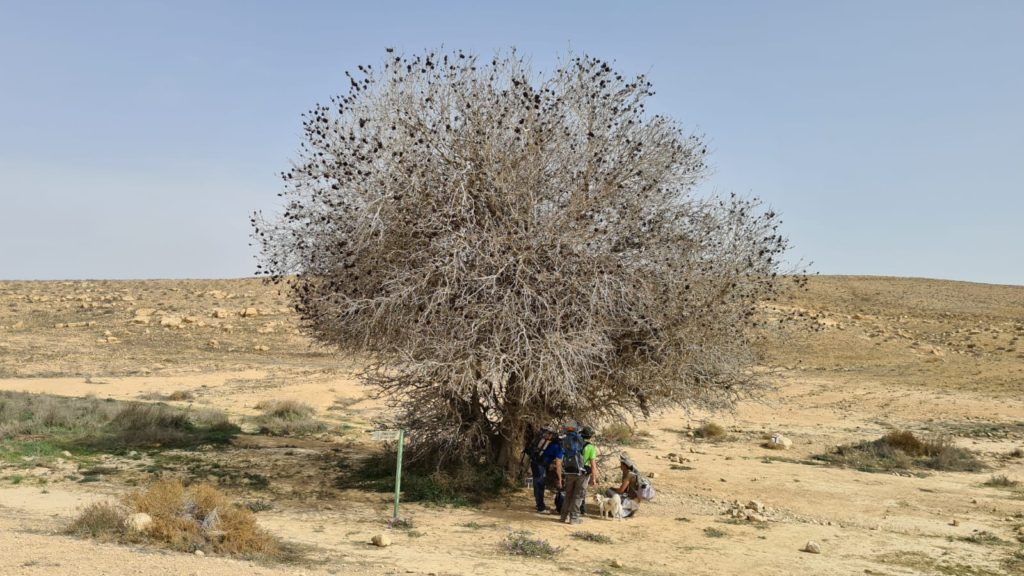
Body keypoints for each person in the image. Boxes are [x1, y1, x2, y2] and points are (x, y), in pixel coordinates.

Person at [560, 423, 598, 525]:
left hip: (569, 471)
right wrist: (593, 479)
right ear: (590, 436)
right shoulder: (590, 447)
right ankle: (574, 518)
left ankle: (563, 517)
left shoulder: (574, 442)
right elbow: (593, 465)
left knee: (568, 495)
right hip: (582, 474)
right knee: (578, 496)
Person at [528, 428, 563, 514]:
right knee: (540, 485)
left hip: (535, 462)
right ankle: (541, 508)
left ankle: (539, 504)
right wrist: (560, 478)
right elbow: (558, 466)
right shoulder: (559, 449)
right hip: (540, 465)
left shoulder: (552, 444)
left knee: (537, 484)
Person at [607, 453, 641, 517]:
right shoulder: (630, 473)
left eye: (621, 464)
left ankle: (616, 510)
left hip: (632, 502)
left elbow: (621, 491)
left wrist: (612, 489)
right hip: (634, 502)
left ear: (625, 466)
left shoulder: (629, 475)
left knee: (609, 491)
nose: (620, 466)